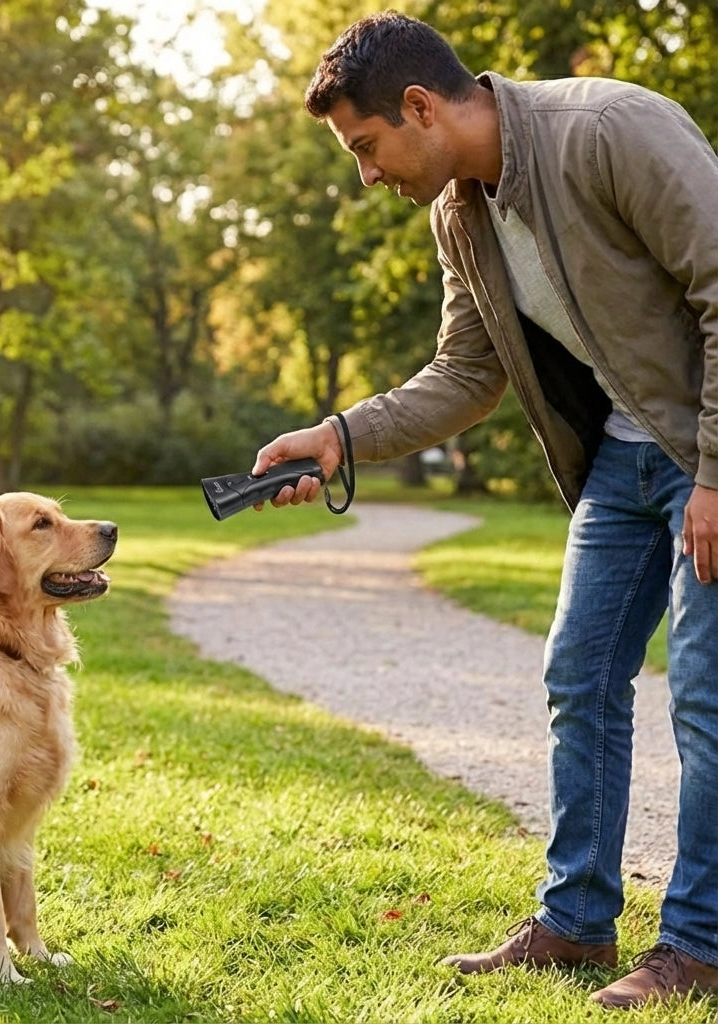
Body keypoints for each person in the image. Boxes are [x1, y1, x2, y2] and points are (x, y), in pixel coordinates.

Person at [250, 9, 718, 1011]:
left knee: (702, 697)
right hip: (624, 463)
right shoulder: (460, 214)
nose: (365, 175)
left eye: (366, 148)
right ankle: (578, 922)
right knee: (578, 674)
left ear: (420, 106)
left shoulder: (608, 132)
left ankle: (697, 943)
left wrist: (716, 476)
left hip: (708, 456)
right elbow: (467, 374)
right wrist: (339, 434)